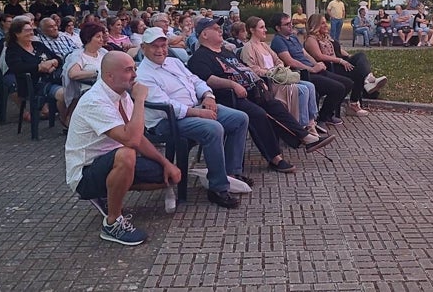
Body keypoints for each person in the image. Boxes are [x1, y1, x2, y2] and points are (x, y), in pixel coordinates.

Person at [188, 17, 334, 174]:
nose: (220, 30)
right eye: (215, 29)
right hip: (228, 96)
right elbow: (206, 80)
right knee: (258, 114)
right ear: (204, 34)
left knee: (274, 105)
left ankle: (305, 137)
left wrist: (258, 81)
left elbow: (244, 68)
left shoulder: (225, 52)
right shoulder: (200, 57)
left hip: (251, 90)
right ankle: (275, 158)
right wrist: (233, 84)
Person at [65, 51, 181, 245]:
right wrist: (141, 100)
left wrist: (166, 163)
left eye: (134, 69)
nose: (135, 75)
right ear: (109, 75)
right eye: (128, 70)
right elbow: (132, 140)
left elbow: (139, 137)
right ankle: (112, 223)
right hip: (85, 174)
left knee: (168, 176)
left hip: (112, 162)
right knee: (127, 154)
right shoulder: (95, 101)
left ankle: (110, 192)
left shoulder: (121, 95)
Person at [137, 27, 251, 209]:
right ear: (143, 48)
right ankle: (217, 187)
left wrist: (208, 96)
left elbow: (196, 80)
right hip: (167, 121)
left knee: (239, 118)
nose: (160, 50)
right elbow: (167, 106)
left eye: (163, 45)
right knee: (213, 129)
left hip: (196, 107)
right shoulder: (143, 75)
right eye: (154, 46)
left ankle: (231, 173)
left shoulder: (173, 62)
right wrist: (199, 113)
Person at [241, 16, 325, 137]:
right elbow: (252, 69)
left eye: (264, 27)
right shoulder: (248, 48)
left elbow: (278, 60)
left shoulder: (264, 45)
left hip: (280, 78)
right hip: (270, 83)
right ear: (252, 30)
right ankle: (301, 126)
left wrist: (278, 69)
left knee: (310, 86)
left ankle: (311, 123)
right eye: (262, 27)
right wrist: (271, 73)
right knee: (302, 89)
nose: (265, 30)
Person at [270, 12, 349, 126]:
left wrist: (317, 64)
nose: (291, 26)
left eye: (291, 23)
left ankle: (327, 112)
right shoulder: (278, 41)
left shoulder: (293, 37)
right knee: (338, 88)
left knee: (347, 83)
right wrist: (311, 69)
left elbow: (305, 54)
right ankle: (322, 117)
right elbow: (290, 62)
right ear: (278, 28)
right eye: (287, 24)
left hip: (313, 69)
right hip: (302, 73)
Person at [304, 14, 387, 116]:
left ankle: (369, 79)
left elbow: (338, 49)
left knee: (360, 57)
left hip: (338, 62)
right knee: (358, 74)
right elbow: (319, 56)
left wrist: (349, 57)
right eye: (322, 23)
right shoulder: (311, 39)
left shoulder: (326, 36)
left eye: (326, 22)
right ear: (315, 25)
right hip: (329, 67)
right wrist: (340, 61)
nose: (326, 25)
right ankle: (354, 103)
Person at [5, 18, 67, 120]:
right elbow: (17, 68)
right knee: (66, 95)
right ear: (17, 34)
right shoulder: (13, 51)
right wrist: (39, 67)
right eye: (27, 31)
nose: (31, 33)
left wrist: (52, 63)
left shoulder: (37, 45)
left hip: (53, 79)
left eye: (31, 30)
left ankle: (61, 115)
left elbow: (57, 58)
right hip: (35, 85)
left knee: (77, 92)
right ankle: (66, 121)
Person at [62, 22, 108, 109]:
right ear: (88, 38)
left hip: (107, 87)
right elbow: (73, 74)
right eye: (98, 37)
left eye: (102, 36)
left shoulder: (103, 52)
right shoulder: (78, 55)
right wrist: (98, 73)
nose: (102, 39)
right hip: (88, 91)